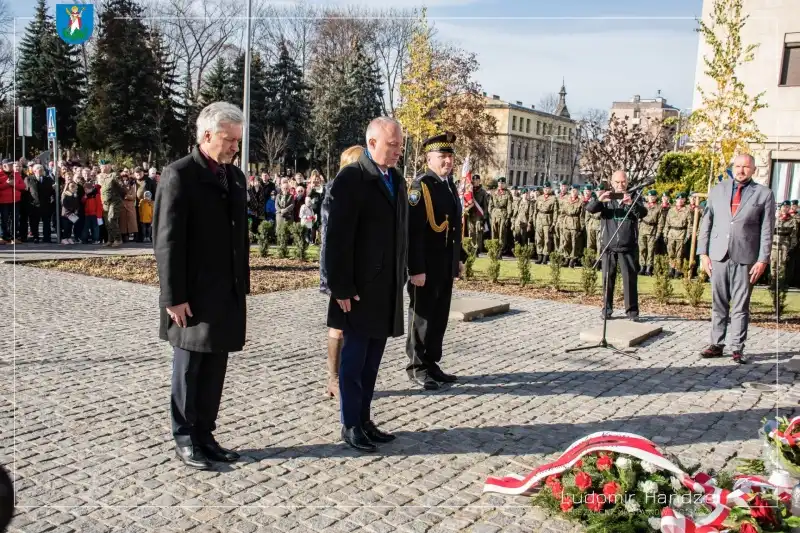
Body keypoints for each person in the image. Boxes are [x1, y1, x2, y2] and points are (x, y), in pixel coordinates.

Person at [153, 101, 249, 469]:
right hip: (192, 297)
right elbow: (167, 241)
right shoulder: (180, 174)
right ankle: (185, 438)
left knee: (215, 370)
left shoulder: (234, 176)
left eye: (237, 141)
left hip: (225, 293)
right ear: (206, 135)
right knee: (189, 370)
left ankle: (206, 434)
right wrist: (173, 297)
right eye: (229, 140)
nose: (234, 148)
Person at [324, 117, 407, 452]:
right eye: (392, 145)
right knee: (353, 362)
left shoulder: (396, 179)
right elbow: (337, 238)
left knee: (372, 362)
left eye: (400, 145)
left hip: (385, 288)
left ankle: (365, 419)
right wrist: (340, 286)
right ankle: (350, 424)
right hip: (356, 291)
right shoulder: (352, 177)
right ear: (371, 144)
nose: (398, 151)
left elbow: (401, 232)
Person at [698, 154, 775, 364]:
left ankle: (737, 347)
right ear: (733, 167)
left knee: (741, 305)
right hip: (718, 255)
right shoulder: (718, 189)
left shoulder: (764, 194)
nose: (741, 170)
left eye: (746, 167)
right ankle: (716, 344)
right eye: (738, 166)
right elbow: (707, 222)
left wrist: (763, 259)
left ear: (753, 170)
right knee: (718, 302)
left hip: (746, 257)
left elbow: (767, 230)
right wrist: (703, 253)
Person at [406, 132, 466, 391]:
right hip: (426, 265)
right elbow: (413, 231)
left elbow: (454, 228)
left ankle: (432, 363)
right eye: (442, 156)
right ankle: (417, 366)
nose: (448, 161)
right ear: (428, 158)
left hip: (444, 263)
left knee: (439, 316)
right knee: (422, 316)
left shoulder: (448, 185)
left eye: (450, 156)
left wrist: (459, 259)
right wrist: (416, 268)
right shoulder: (422, 187)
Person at [319, 145, 364, 399]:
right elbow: (331, 239)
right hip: (339, 273)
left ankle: (348, 377)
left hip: (360, 273)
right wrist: (332, 279)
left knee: (355, 327)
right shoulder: (336, 192)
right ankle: (333, 379)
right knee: (338, 326)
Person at [586, 170, 647, 321]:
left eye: (623, 182)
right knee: (608, 280)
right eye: (617, 182)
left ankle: (632, 312)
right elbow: (590, 209)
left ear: (627, 182)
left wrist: (631, 204)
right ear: (612, 183)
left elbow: (643, 212)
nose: (620, 185)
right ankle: (606, 310)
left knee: (629, 280)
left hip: (628, 247)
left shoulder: (634, 197)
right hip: (609, 246)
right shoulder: (607, 199)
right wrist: (600, 200)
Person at [665, 192, 691, 278]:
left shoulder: (687, 211)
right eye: (678, 199)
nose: (680, 201)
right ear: (676, 200)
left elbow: (689, 225)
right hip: (671, 233)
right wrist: (665, 234)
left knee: (679, 254)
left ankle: (677, 270)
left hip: (681, 234)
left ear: (684, 200)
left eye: (682, 199)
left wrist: (688, 236)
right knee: (671, 253)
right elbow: (667, 223)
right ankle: (671, 269)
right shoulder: (671, 210)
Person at [637, 190, 662, 276]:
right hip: (643, 229)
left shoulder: (659, 208)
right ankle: (642, 267)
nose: (651, 198)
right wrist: (638, 228)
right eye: (649, 196)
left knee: (651, 250)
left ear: (656, 197)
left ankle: (648, 268)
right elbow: (639, 218)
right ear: (647, 197)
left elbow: (660, 222)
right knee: (642, 249)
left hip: (652, 230)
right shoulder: (644, 206)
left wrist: (658, 233)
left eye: (653, 196)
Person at [464, 174, 489, 254]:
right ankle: (471, 248)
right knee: (471, 232)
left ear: (479, 181)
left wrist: (484, 217)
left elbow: (485, 205)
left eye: (476, 180)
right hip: (470, 214)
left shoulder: (483, 192)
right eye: (473, 180)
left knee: (478, 233)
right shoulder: (470, 191)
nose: (474, 181)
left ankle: (477, 249)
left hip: (479, 215)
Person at [534, 182, 558, 264]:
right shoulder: (539, 198)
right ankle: (539, 256)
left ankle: (545, 257)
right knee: (539, 239)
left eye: (547, 188)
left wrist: (554, 222)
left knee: (547, 239)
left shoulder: (553, 198)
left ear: (550, 189)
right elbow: (535, 210)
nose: (546, 190)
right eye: (545, 189)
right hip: (539, 219)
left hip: (548, 220)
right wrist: (534, 220)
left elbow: (555, 211)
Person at [489, 178, 511, 253]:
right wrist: (491, 213)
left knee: (501, 233)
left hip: (503, 214)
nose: (500, 185)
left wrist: (508, 217)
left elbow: (509, 206)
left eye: (502, 183)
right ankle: (494, 249)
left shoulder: (507, 193)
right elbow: (490, 204)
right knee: (494, 232)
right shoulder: (494, 193)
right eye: (499, 183)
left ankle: (500, 251)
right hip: (495, 214)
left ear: (505, 184)